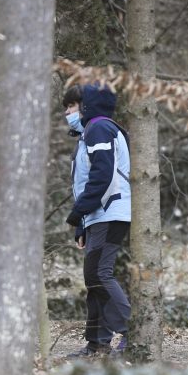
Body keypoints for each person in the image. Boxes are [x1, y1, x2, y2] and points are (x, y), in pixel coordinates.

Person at [63, 83, 131, 357]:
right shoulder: (88, 134)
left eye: (70, 107)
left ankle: (132, 332)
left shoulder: (99, 128)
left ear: (86, 105)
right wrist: (82, 223)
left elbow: (102, 177)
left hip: (110, 213)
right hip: (97, 216)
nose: (67, 113)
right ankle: (97, 343)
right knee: (94, 277)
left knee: (99, 275)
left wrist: (78, 212)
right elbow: (85, 182)